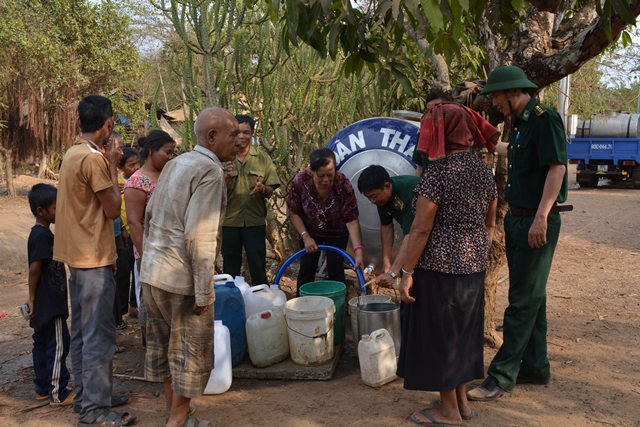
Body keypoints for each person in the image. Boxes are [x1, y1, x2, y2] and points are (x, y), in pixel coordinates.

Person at [467, 66, 570, 402]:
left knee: (521, 302)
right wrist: (487, 139)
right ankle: (535, 367)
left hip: (535, 222)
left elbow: (557, 167)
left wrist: (541, 216)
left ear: (513, 92)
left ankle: (501, 375)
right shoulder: (524, 124)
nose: (494, 103)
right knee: (532, 299)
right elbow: (514, 152)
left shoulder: (544, 118)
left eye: (496, 96)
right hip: (519, 220)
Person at [397, 101, 499, 426]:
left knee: (439, 337)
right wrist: (474, 255)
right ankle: (462, 404)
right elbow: (490, 224)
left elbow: (421, 227)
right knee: (463, 336)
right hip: (472, 267)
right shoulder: (484, 171)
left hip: (438, 271)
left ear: (439, 132)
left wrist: (406, 272)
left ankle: (448, 413)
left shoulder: (438, 173)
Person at [140, 107, 241, 427]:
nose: (239, 140)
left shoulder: (177, 163)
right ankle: (178, 421)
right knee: (188, 356)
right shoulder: (209, 172)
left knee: (169, 354)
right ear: (212, 137)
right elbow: (201, 237)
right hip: (181, 280)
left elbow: (150, 215)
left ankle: (176, 417)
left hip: (153, 273)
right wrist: (203, 290)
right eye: (233, 134)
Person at [53, 95, 134, 426]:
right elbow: (114, 209)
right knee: (100, 335)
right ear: (109, 123)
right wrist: (113, 164)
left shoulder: (72, 153)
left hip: (77, 256)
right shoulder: (95, 160)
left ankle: (88, 396)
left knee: (85, 333)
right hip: (92, 260)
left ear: (78, 122)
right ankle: (94, 411)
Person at [287, 148, 365, 295]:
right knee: (307, 267)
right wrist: (305, 236)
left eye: (330, 174)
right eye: (321, 175)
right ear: (311, 171)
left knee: (336, 268)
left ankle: (336, 306)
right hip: (309, 230)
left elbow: (352, 220)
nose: (326, 180)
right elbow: (294, 211)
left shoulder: (343, 184)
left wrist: (358, 252)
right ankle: (302, 305)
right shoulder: (301, 181)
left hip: (337, 233)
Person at [124, 130, 175, 346]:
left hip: (171, 249)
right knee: (149, 300)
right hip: (150, 252)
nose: (171, 157)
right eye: (167, 152)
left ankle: (168, 344)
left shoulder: (168, 174)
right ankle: (151, 347)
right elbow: (135, 223)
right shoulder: (136, 183)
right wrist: (145, 257)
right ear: (152, 151)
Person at [25, 184, 74, 406]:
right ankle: (58, 392)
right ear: (40, 211)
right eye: (55, 208)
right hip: (49, 302)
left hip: (46, 301)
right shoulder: (41, 235)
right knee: (58, 344)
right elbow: (35, 269)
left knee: (42, 343)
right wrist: (32, 298)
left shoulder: (43, 233)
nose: (59, 212)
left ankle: (42, 388)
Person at [222, 115, 281, 285]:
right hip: (229, 223)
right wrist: (227, 177)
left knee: (258, 267)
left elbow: (270, 191)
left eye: (246, 132)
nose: (241, 136)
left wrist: (262, 189)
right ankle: (233, 303)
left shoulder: (263, 158)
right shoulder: (223, 158)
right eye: (237, 132)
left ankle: (261, 302)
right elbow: (216, 193)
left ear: (252, 134)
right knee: (230, 269)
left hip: (254, 222)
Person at [357, 165, 420, 288]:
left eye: (373, 196)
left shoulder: (410, 192)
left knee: (414, 279)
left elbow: (411, 235)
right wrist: (386, 262)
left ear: (387, 186)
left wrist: (393, 273)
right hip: (415, 239)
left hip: (433, 240)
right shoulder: (382, 199)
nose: (372, 201)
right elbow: (386, 227)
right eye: (368, 198)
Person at [108, 131, 129, 343]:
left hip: (116, 232)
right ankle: (112, 325)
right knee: (111, 280)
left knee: (122, 275)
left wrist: (122, 227)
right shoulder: (102, 171)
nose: (121, 152)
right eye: (119, 147)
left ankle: (117, 318)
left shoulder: (112, 172)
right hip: (106, 236)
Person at [118, 146, 140, 318]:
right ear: (121, 168)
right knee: (125, 271)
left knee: (137, 269)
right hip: (124, 234)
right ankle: (122, 308)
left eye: (137, 164)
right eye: (131, 165)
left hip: (137, 232)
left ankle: (134, 304)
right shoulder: (118, 185)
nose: (136, 168)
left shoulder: (140, 181)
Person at [412, 92, 443, 177]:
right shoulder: (423, 133)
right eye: (429, 109)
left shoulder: (453, 132)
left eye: (437, 107)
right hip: (426, 185)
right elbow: (420, 167)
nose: (433, 112)